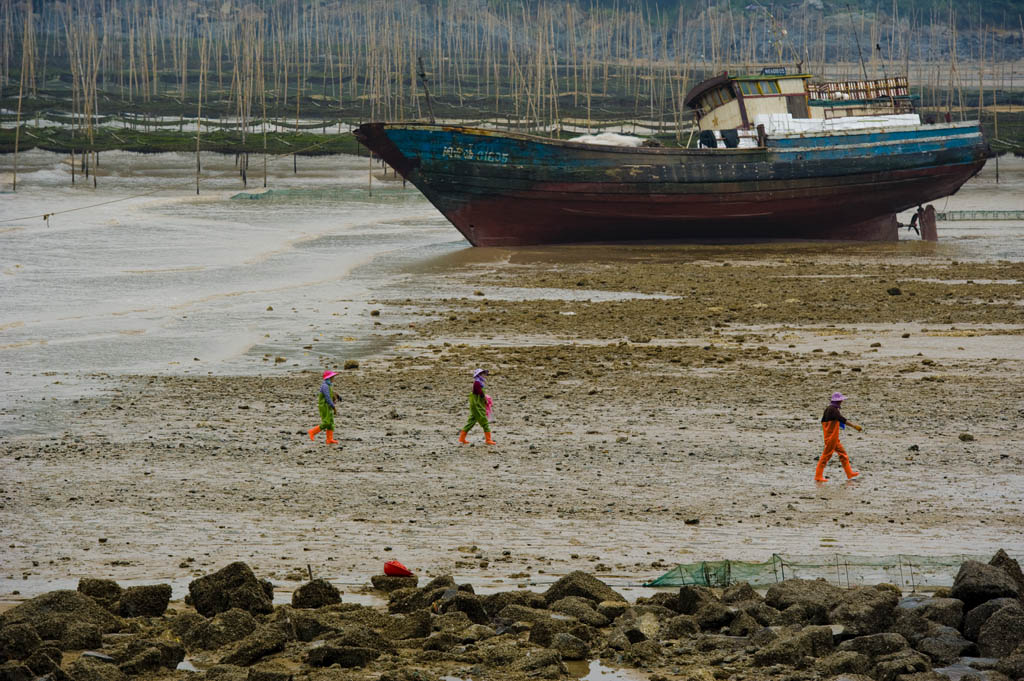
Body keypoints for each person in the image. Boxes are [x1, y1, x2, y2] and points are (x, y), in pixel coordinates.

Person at [815, 391, 861, 482]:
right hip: (831, 438)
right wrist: (854, 426)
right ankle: (818, 475)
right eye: (841, 400)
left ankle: (849, 473)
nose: (841, 402)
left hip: (834, 437)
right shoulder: (833, 410)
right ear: (838, 401)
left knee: (843, 454)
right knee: (826, 455)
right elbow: (842, 419)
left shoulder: (830, 409)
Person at [459, 368, 496, 445]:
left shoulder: (479, 382)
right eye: (482, 374)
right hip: (477, 405)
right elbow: (480, 393)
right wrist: (485, 399)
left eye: (484, 374)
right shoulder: (477, 383)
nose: (484, 375)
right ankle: (488, 440)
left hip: (476, 405)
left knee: (471, 421)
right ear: (478, 375)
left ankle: (462, 438)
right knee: (484, 421)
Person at [308, 370, 339, 445]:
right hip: (324, 406)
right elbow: (327, 397)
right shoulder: (325, 386)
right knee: (326, 422)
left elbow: (331, 393)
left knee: (331, 423)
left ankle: (329, 439)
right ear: (328, 378)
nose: (333, 379)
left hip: (328, 405)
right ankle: (312, 431)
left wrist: (337, 396)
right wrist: (333, 407)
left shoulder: (329, 385)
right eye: (332, 377)